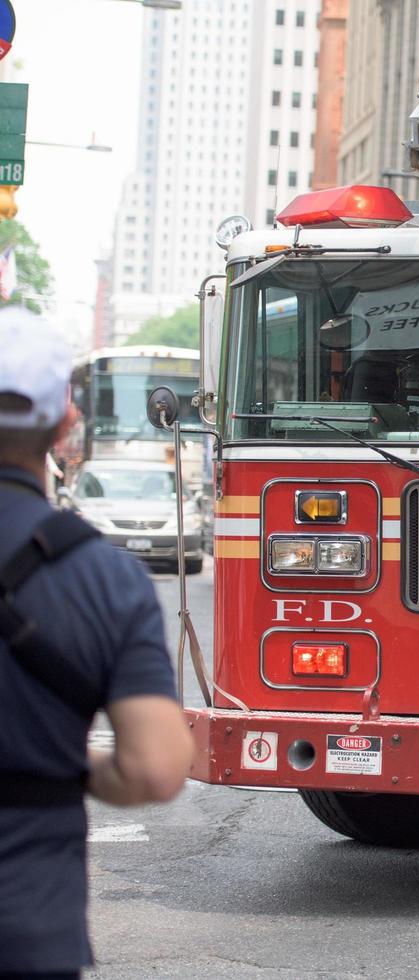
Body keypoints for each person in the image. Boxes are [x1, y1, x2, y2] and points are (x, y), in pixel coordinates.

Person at [0, 308, 193, 979]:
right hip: (28, 928)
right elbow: (155, 767)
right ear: (65, 423)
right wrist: (64, 769)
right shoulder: (105, 578)